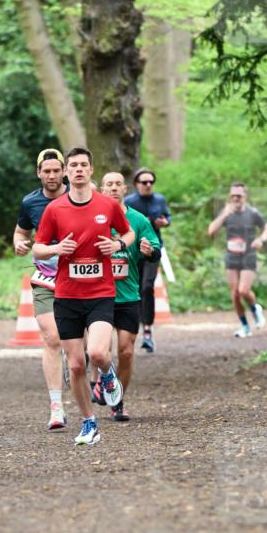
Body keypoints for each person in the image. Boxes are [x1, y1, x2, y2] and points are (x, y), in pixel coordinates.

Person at [33, 147, 135, 446]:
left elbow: (128, 233)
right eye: (73, 165)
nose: (78, 169)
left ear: (91, 171)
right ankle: (89, 422)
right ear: (67, 172)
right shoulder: (55, 209)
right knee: (76, 365)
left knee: (99, 352)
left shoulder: (108, 205)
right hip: (67, 295)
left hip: (101, 292)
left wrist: (117, 245)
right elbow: (37, 248)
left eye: (83, 165)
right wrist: (56, 249)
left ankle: (107, 374)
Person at [96, 171, 161, 422]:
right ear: (102, 190)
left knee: (126, 352)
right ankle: (102, 379)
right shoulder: (93, 217)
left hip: (128, 295)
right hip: (98, 295)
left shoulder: (138, 220)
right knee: (101, 351)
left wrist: (149, 250)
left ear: (125, 189)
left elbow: (155, 248)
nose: (113, 188)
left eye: (118, 184)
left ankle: (118, 401)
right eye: (109, 184)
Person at [13, 148, 68, 431]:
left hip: (79, 278)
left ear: (64, 171)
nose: (51, 175)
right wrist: (19, 243)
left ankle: (81, 363)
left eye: (56, 170)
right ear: (38, 173)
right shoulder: (30, 202)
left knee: (78, 342)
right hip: (46, 278)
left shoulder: (79, 197)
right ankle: (56, 407)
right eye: (46, 171)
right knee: (52, 338)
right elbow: (21, 232)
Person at [207, 181, 267, 337]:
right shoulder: (226, 213)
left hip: (248, 255)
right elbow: (211, 231)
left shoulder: (252, 213)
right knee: (235, 294)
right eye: (233, 196)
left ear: (245, 196)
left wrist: (261, 240)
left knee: (243, 290)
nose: (236, 198)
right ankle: (245, 326)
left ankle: (255, 308)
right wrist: (224, 215)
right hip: (231, 256)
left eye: (239, 196)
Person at [125, 167, 171, 352]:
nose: (148, 185)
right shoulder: (129, 202)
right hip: (133, 251)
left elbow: (167, 216)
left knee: (147, 287)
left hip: (153, 250)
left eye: (151, 182)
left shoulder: (159, 199)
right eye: (144, 182)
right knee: (135, 288)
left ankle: (147, 330)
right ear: (136, 184)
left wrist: (165, 222)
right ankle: (131, 327)